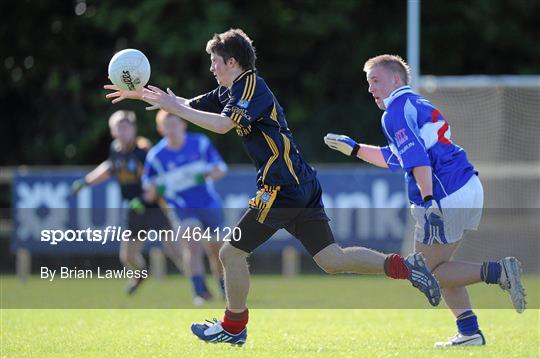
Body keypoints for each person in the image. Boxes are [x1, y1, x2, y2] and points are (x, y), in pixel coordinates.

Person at [104, 29, 441, 347]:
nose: (211, 68)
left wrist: (175, 107)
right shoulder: (230, 89)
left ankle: (233, 327)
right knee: (331, 260)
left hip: (282, 187)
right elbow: (191, 105)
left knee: (230, 252)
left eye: (215, 62)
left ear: (232, 62)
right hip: (299, 183)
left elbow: (222, 125)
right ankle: (406, 267)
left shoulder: (251, 86)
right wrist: (154, 97)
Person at [323, 54, 526, 347]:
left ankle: (499, 272)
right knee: (440, 268)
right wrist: (355, 149)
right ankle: (469, 331)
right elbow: (397, 158)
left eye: (375, 81)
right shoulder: (416, 104)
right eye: (368, 83)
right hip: (466, 185)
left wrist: (429, 200)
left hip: (444, 193)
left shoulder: (394, 111)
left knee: (424, 270)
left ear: (396, 80)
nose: (370, 89)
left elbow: (418, 160)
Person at [71, 110, 183, 295]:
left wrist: (144, 197)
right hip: (134, 208)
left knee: (175, 251)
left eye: (126, 127)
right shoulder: (115, 149)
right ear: (112, 131)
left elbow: (159, 178)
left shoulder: (143, 150)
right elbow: (109, 168)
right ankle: (140, 275)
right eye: (118, 128)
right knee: (128, 256)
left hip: (155, 205)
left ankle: (199, 286)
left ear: (134, 129)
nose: (123, 132)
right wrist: (86, 181)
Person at [142, 109, 227, 304]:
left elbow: (220, 169)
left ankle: (224, 288)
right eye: (166, 125)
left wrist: (205, 174)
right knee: (192, 243)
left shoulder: (200, 143)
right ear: (160, 129)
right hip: (181, 207)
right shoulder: (156, 156)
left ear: (184, 124)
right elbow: (149, 188)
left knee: (217, 249)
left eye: (174, 123)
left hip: (208, 203)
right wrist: (156, 190)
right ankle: (199, 291)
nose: (171, 129)